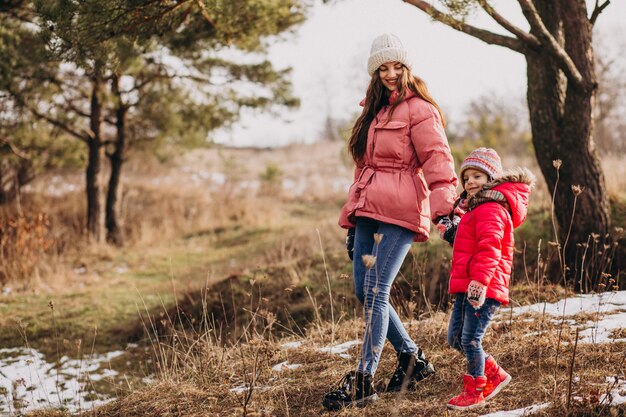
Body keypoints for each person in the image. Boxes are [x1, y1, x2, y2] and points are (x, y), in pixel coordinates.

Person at [323, 33, 458, 411]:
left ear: (408, 67)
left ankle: (363, 378)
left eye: (397, 66)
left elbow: (438, 161)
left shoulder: (420, 110)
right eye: (384, 67)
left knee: (377, 291)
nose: (391, 73)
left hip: (401, 210)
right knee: (363, 291)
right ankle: (413, 360)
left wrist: (446, 212)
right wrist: (351, 219)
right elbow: (363, 169)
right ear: (375, 71)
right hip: (367, 210)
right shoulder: (373, 110)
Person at [440, 147, 535, 410]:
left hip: (483, 286)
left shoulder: (491, 208)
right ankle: (495, 374)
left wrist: (480, 282)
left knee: (470, 338)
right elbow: (470, 246)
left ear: (491, 179)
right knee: (455, 338)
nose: (470, 182)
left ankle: (475, 391)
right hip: (468, 284)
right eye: (467, 177)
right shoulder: (475, 209)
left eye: (477, 177)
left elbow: (490, 247)